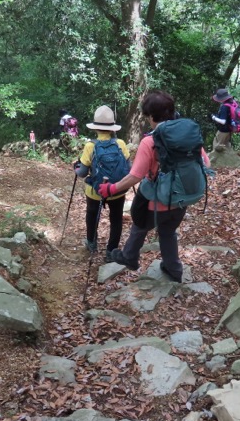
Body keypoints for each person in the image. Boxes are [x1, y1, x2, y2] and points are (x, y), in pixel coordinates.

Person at [99, 90, 209, 283]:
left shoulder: (150, 141)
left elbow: (135, 176)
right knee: (168, 233)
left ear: (151, 116)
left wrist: (111, 189)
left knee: (140, 226)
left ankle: (130, 257)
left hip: (156, 203)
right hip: (181, 199)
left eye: (147, 116)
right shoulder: (186, 136)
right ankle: (173, 270)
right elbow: (206, 164)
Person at [73, 105, 130, 261]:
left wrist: (76, 168)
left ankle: (91, 243)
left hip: (95, 191)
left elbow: (83, 173)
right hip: (117, 189)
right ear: (112, 128)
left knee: (92, 215)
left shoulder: (90, 146)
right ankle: (111, 251)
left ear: (95, 128)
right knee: (116, 219)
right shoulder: (120, 143)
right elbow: (128, 167)